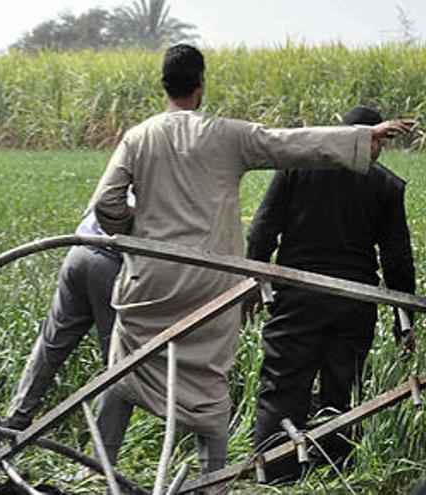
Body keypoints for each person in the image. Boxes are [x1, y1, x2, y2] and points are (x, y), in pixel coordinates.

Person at [89, 43, 411, 480]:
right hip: (214, 282)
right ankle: (216, 482)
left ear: (165, 84)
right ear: (201, 84)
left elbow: (107, 203)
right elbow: (289, 143)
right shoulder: (230, 135)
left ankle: (100, 469)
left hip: (152, 278)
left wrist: (136, 230)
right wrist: (359, 140)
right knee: (211, 382)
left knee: (123, 372)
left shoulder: (139, 137)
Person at [246, 105, 416, 481]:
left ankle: (275, 475)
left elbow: (261, 232)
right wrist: (405, 320)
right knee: (342, 389)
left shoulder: (296, 170)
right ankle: (336, 472)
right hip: (353, 302)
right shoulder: (386, 185)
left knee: (283, 381)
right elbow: (397, 260)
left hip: (297, 295)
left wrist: (256, 284)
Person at [2, 208, 122, 431]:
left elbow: (101, 202)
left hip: (80, 252)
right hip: (111, 264)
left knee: (52, 343)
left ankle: (14, 421)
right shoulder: (164, 177)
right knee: (120, 365)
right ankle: (99, 459)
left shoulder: (130, 173)